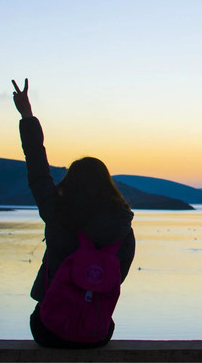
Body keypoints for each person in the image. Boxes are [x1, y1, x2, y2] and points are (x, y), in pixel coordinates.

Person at [12, 78, 135, 348]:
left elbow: (38, 172)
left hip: (49, 329)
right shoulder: (121, 227)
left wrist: (27, 116)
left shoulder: (57, 211)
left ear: (71, 183)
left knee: (42, 315)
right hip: (96, 332)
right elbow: (118, 275)